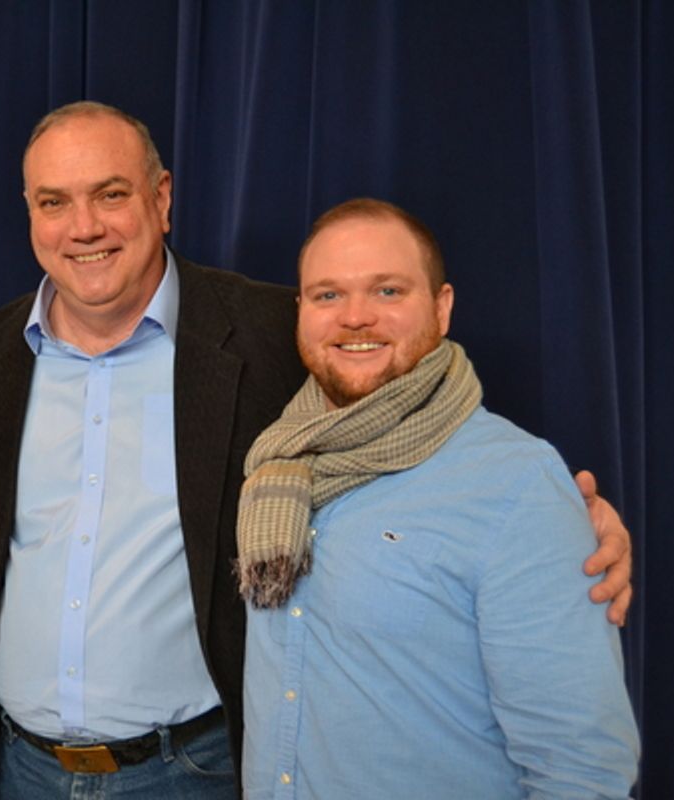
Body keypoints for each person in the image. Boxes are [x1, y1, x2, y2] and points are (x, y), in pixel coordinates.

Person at [0, 103, 634, 799]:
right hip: (15, 768)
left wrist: (566, 518)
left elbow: (396, 410)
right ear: (27, 215)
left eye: (110, 194)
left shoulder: (273, 333)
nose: (84, 228)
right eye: (52, 202)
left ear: (160, 198)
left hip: (191, 768)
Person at [238, 198, 639, 798]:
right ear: (300, 311)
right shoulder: (275, 463)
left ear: (442, 307)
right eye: (328, 295)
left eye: (388, 292)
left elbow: (582, 769)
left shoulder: (519, 485)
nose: (355, 317)